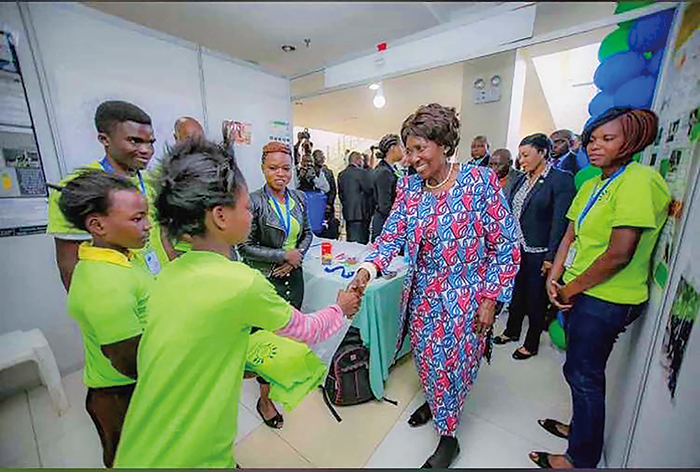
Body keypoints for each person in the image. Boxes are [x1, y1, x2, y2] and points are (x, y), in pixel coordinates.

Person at [114, 139, 361, 468]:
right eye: (245, 208)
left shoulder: (168, 276)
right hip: (192, 451)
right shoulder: (242, 283)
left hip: (140, 444)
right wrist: (340, 308)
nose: (250, 213)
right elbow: (308, 329)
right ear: (220, 216)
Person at [347, 104, 521, 468]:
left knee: (456, 363)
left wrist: (491, 298)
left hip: (467, 293)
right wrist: (366, 270)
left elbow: (506, 244)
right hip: (423, 293)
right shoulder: (409, 189)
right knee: (427, 359)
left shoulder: (480, 183)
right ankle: (439, 402)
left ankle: (448, 436)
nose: (411, 159)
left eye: (419, 149)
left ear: (444, 144)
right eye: (408, 150)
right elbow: (389, 237)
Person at [530, 108, 671, 469]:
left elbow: (619, 254)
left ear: (632, 141)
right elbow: (571, 233)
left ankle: (581, 458)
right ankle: (580, 431)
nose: (595, 146)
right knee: (577, 371)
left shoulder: (639, 180)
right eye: (592, 139)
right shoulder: (593, 183)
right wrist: (553, 275)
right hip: (578, 290)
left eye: (607, 139)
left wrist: (570, 289)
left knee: (584, 376)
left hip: (606, 297)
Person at [58, 170, 153, 467]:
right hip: (121, 394)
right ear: (98, 226)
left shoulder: (123, 256)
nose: (148, 225)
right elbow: (130, 362)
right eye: (137, 219)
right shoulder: (105, 286)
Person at [47, 100, 169, 289]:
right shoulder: (78, 187)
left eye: (150, 142)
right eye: (134, 141)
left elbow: (160, 238)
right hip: (118, 293)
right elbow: (69, 262)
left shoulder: (151, 182)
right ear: (104, 139)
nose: (146, 150)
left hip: (158, 287)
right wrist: (92, 308)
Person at [239, 141, 313, 429]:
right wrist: (283, 255)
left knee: (289, 334)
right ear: (263, 168)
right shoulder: (253, 201)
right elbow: (244, 246)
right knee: (268, 341)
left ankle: (281, 380)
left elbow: (307, 234)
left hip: (293, 277)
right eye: (273, 168)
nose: (280, 174)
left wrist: (296, 258)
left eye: (285, 168)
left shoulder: (299, 198)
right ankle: (264, 399)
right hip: (266, 281)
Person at [493, 134, 575, 360]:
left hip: (540, 251)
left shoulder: (560, 180)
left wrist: (551, 257)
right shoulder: (521, 179)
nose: (522, 159)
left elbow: (560, 223)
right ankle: (512, 331)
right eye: (520, 155)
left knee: (536, 298)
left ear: (543, 153)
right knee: (516, 293)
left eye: (526, 155)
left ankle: (531, 343)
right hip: (518, 248)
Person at [371, 134, 404, 242]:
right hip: (385, 225)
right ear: (392, 148)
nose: (402, 150)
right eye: (400, 146)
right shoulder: (383, 172)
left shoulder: (391, 169)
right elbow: (384, 204)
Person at [338, 150, 373, 244]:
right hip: (361, 214)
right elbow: (369, 190)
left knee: (350, 243)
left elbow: (341, 194)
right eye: (362, 160)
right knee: (360, 245)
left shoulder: (341, 175)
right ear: (357, 160)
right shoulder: (362, 173)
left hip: (348, 214)